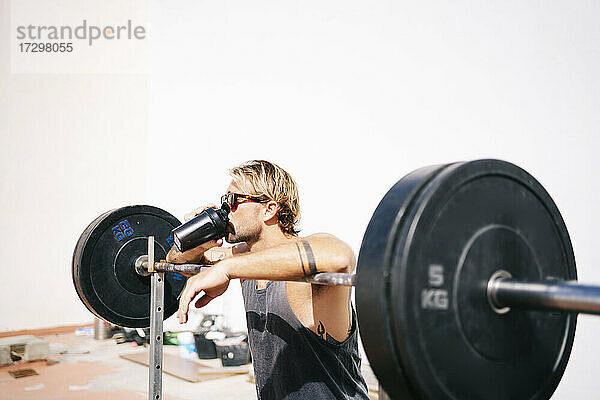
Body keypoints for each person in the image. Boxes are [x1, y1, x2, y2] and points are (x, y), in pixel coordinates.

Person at [168, 160, 370, 400]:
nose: (225, 210)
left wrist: (227, 269)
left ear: (269, 209)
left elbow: (339, 257)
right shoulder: (245, 258)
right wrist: (198, 234)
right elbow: (176, 261)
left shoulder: (298, 263)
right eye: (224, 200)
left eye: (233, 201)